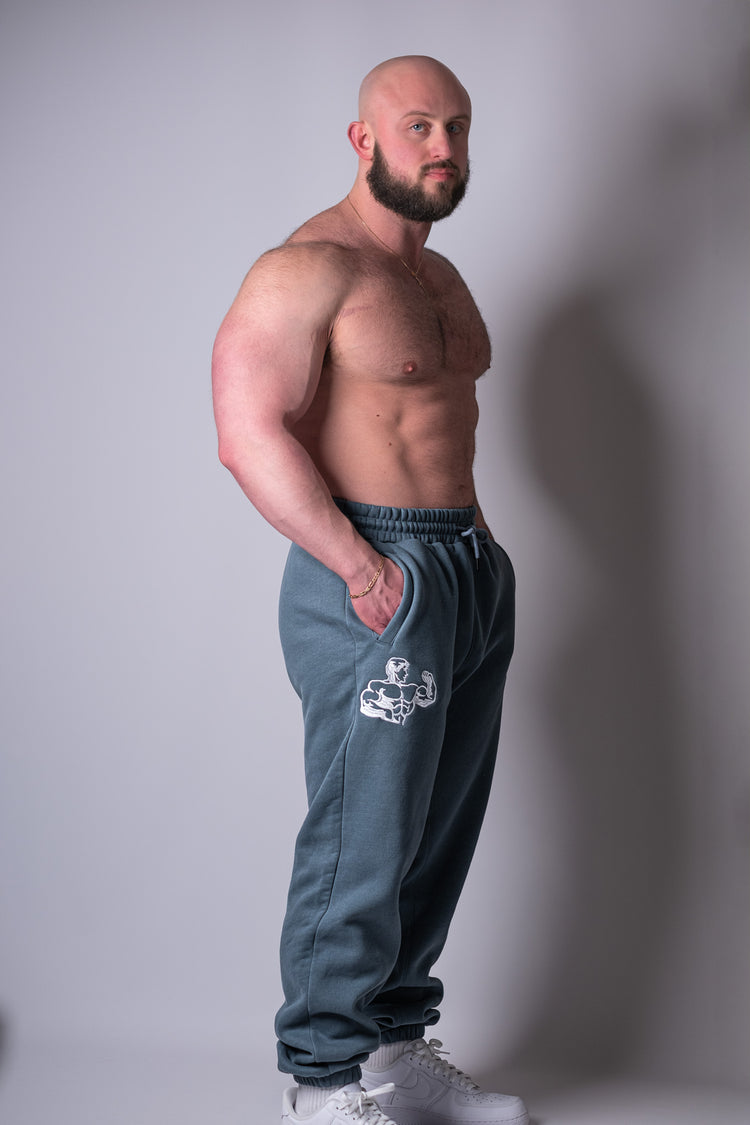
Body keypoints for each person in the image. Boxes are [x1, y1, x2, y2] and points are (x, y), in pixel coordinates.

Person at [212, 55, 528, 1125]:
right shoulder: (307, 268)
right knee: (365, 832)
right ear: (364, 141)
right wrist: (358, 563)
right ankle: (322, 1076)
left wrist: (479, 549)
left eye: (458, 128)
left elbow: (440, 427)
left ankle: (391, 1049)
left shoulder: (440, 280)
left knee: (440, 826)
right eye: (418, 126)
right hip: (371, 565)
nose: (444, 148)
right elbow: (246, 431)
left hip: (464, 566)